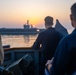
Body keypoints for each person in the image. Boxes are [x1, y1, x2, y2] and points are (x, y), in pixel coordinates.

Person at [45, 3, 76, 75]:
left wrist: (49, 64)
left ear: (71, 17)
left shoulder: (67, 42)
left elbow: (56, 72)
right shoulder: (61, 36)